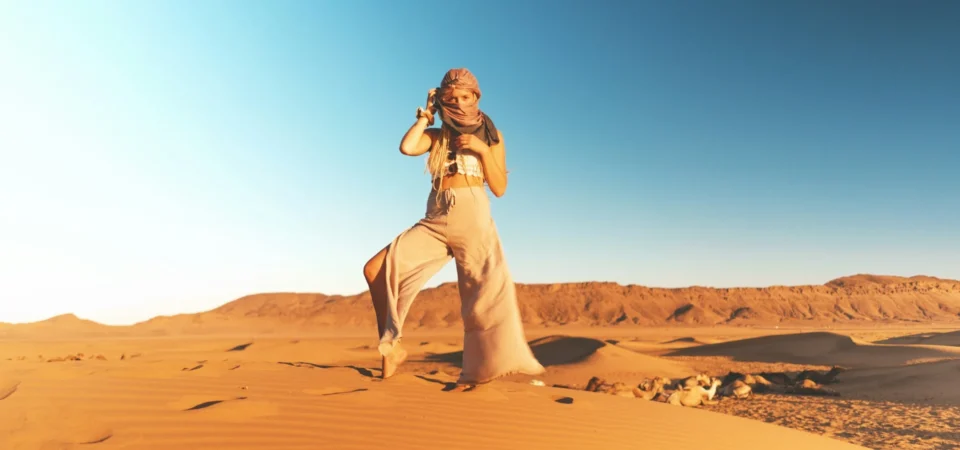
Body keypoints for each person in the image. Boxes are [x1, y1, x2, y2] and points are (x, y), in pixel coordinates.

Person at [362, 68, 545, 387]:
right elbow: (407, 147)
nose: (458, 103)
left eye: (464, 97)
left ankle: (478, 374)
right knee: (375, 269)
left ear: (476, 97)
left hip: (472, 212)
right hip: (436, 216)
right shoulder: (437, 136)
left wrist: (482, 149)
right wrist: (426, 116)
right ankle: (391, 346)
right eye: (451, 98)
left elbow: (499, 187)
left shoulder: (491, 135)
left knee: (481, 297)